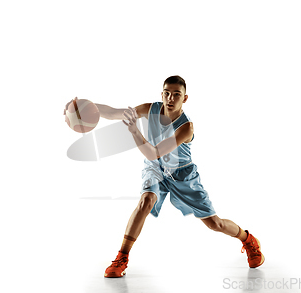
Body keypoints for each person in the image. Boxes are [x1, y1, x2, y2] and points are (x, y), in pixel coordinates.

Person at [93, 75, 264, 277]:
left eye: (176, 94)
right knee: (145, 200)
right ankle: (122, 257)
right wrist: (84, 106)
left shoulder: (186, 126)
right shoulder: (151, 109)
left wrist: (134, 131)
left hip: (182, 175)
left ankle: (247, 239)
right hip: (156, 169)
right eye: (167, 93)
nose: (170, 98)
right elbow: (114, 113)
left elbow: (154, 151)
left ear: (185, 98)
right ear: (161, 94)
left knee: (214, 224)